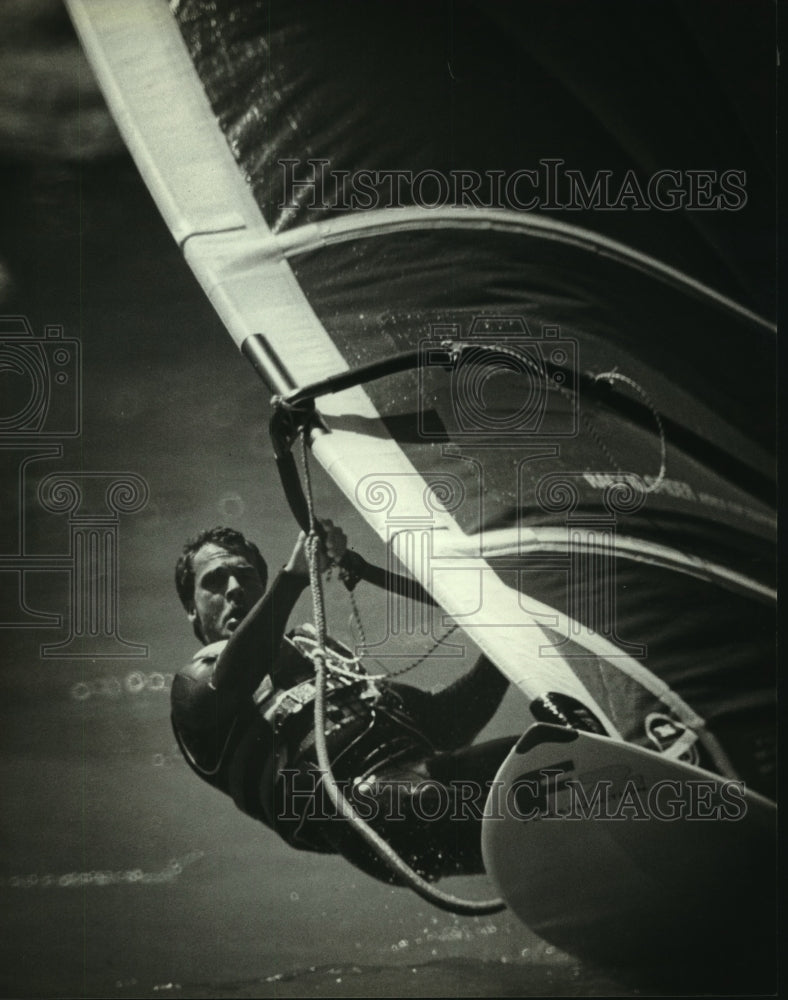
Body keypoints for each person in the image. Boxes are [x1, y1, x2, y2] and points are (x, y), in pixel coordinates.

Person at [171, 522, 515, 884]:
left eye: (246, 576)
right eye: (214, 581)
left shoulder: (318, 653)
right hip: (364, 812)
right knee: (445, 798)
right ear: (191, 608)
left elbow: (446, 724)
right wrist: (294, 577)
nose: (235, 589)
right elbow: (232, 679)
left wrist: (505, 643)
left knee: (555, 757)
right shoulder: (193, 686)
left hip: (424, 773)